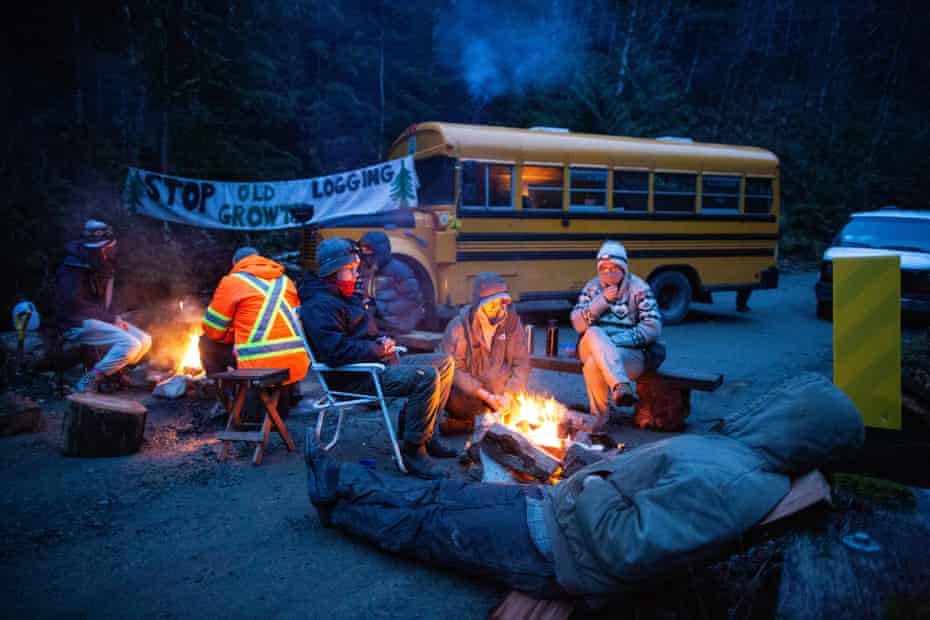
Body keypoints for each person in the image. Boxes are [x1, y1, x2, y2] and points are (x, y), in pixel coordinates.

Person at [303, 373, 864, 598]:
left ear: (796, 425)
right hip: (555, 509)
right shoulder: (738, 454)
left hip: (558, 545)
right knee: (444, 494)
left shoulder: (738, 485)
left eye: (783, 404)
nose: (767, 402)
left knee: (428, 523)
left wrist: (588, 484)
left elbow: (627, 547)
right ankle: (346, 479)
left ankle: (336, 502)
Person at [298, 238, 456, 479]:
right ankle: (414, 452)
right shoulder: (320, 306)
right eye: (349, 269)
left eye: (355, 268)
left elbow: (364, 331)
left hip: (376, 364)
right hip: (356, 377)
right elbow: (334, 352)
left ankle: (427, 433)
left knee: (444, 362)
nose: (356, 273)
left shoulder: (344, 295)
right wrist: (376, 350)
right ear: (332, 272)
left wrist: (383, 340)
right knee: (426, 377)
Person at [569, 241, 663, 422]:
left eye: (614, 268)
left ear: (624, 268)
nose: (608, 272)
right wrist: (600, 301)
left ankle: (599, 421)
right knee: (595, 332)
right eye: (603, 268)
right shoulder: (593, 287)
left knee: (592, 364)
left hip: (629, 354)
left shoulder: (638, 288)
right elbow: (578, 324)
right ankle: (620, 385)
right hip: (592, 344)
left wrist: (614, 342)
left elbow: (653, 327)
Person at [55, 220, 152, 393]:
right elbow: (74, 304)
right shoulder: (72, 268)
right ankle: (87, 382)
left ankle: (113, 375)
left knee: (144, 340)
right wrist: (110, 318)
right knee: (130, 345)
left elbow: (106, 302)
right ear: (99, 249)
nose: (112, 251)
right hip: (74, 323)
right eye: (108, 248)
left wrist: (116, 317)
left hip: (96, 318)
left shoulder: (104, 266)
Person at [200, 247, 309, 387]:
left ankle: (229, 398)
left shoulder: (232, 282)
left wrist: (233, 336)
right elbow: (296, 319)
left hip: (257, 364)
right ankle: (292, 393)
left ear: (236, 264)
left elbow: (213, 329)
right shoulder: (286, 281)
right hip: (297, 364)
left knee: (206, 342)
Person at [439, 272, 530, 434]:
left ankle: (474, 424)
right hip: (474, 394)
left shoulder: (512, 323)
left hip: (502, 393)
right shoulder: (459, 326)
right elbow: (454, 369)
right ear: (479, 305)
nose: (498, 308)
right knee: (453, 402)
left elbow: (521, 364)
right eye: (491, 303)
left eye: (501, 302)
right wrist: (486, 396)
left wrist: (508, 395)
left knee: (519, 403)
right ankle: (488, 422)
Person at [356, 231, 425, 335]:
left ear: (380, 252)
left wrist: (380, 308)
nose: (367, 258)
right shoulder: (365, 270)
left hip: (398, 324)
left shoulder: (398, 270)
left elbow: (414, 300)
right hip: (379, 322)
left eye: (370, 253)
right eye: (364, 254)